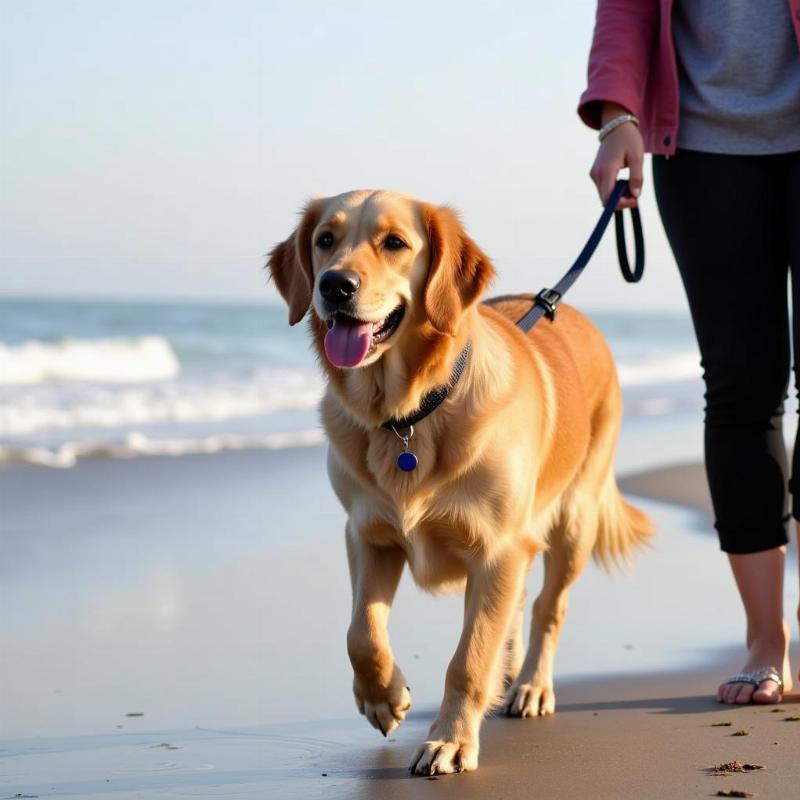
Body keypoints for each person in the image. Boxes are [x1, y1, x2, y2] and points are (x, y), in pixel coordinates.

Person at [579, 0, 800, 704]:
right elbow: (627, 11)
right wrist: (618, 114)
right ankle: (767, 640)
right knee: (740, 383)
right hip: (704, 150)